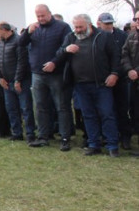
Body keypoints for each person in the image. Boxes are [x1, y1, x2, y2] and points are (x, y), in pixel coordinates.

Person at [53, 14, 120, 156]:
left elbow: (115, 56)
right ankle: (93, 144)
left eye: (80, 27)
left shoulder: (103, 36)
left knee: (107, 114)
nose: (77, 30)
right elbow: (59, 54)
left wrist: (114, 73)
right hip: (80, 85)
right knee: (88, 115)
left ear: (89, 25)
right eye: (75, 27)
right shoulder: (71, 37)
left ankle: (112, 145)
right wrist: (66, 50)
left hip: (102, 84)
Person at [18, 4, 72, 147]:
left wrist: (54, 62)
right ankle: (43, 136)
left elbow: (66, 47)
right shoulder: (34, 28)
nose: (40, 18)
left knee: (61, 106)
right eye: (38, 16)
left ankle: (65, 138)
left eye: (43, 15)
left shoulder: (62, 27)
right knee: (40, 107)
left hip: (56, 73)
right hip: (37, 74)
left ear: (50, 13)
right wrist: (27, 33)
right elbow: (20, 44)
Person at [0, 22, 37, 144]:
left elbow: (22, 62)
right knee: (11, 108)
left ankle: (30, 133)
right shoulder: (0, 42)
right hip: (6, 82)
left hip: (21, 81)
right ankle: (17, 132)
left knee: (26, 108)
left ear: (4, 30)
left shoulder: (18, 41)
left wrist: (18, 79)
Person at [96, 12, 130, 150]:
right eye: (106, 23)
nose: (109, 26)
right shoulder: (96, 36)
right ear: (99, 23)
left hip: (120, 79)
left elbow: (125, 56)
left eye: (110, 23)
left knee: (122, 109)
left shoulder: (122, 36)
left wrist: (116, 74)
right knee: (106, 111)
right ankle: (107, 136)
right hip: (102, 80)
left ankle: (125, 137)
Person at [121, 10, 139, 156]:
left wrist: (136, 71)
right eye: (136, 18)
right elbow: (124, 53)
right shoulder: (132, 36)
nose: (137, 21)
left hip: (135, 75)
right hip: (132, 80)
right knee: (134, 111)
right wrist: (129, 70)